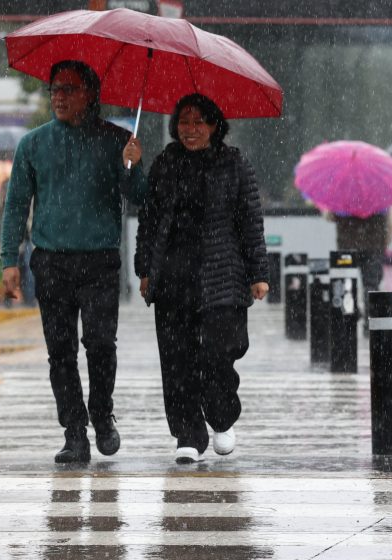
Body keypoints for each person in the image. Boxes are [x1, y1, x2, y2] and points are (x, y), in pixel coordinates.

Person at [0, 60, 148, 464]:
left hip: (100, 262)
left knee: (100, 345)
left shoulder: (116, 140)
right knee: (60, 352)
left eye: (68, 89)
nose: (59, 97)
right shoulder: (33, 145)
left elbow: (140, 198)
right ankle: (74, 432)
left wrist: (134, 165)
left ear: (90, 94)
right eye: (54, 89)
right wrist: (8, 258)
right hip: (51, 263)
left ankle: (102, 414)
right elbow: (16, 205)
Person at [135, 93, 269, 464]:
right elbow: (148, 220)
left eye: (198, 122)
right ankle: (187, 434)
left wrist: (259, 273)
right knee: (176, 359)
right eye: (183, 121)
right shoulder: (164, 163)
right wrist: (144, 268)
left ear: (214, 126)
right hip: (174, 277)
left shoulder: (234, 163)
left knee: (218, 355)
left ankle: (222, 417)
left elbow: (250, 222)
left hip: (222, 276)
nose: (190, 130)